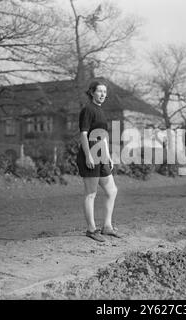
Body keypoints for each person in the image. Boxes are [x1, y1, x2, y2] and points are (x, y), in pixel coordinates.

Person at [77, 80, 120, 242]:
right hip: (90, 156)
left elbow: (103, 136)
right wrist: (88, 155)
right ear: (92, 93)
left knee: (112, 191)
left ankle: (107, 227)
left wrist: (108, 155)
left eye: (104, 92)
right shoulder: (88, 109)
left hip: (102, 156)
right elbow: (83, 134)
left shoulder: (101, 111)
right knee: (91, 194)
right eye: (99, 91)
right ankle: (91, 229)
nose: (103, 94)